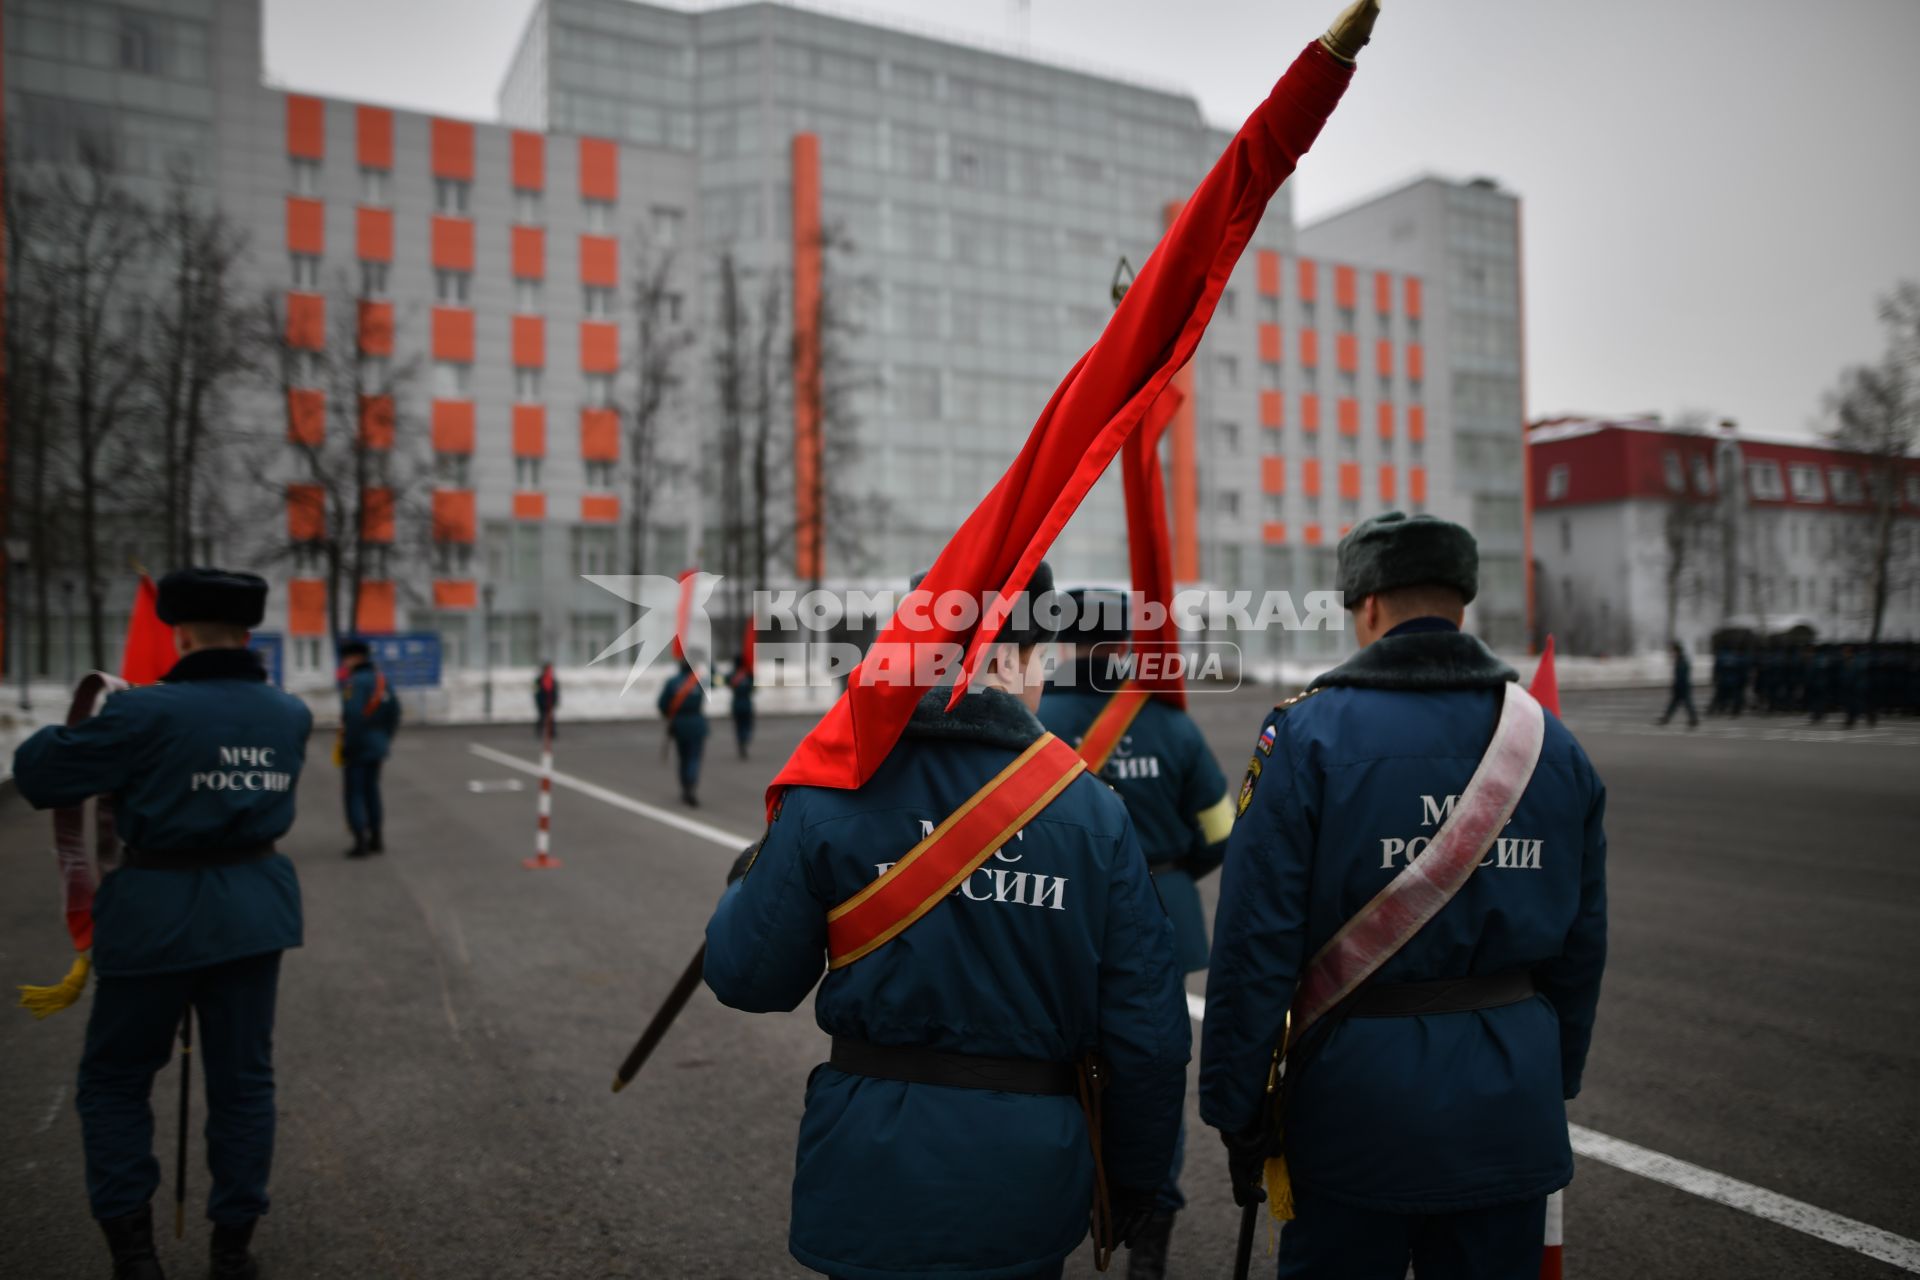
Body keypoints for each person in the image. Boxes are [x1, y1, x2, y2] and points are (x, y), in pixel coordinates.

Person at [704, 562, 1189, 1279]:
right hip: (1026, 1179)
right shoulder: (1094, 813)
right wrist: (1135, 1181)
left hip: (871, 1166)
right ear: (1013, 657)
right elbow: (1146, 1034)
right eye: (1039, 654)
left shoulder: (834, 786)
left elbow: (749, 977)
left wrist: (749, 882)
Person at [1201, 512, 1608, 1280]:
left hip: (1356, 1111)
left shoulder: (1310, 736)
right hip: (1508, 1104)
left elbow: (1255, 941)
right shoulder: (1554, 745)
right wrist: (1548, 1077)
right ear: (1463, 602)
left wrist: (1237, 1107)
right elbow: (1583, 947)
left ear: (1368, 605)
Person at [11, 569, 312, 1280]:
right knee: (244, 1084)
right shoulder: (290, 713)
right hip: (252, 911)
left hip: (155, 915)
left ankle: (135, 1256)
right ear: (248, 630)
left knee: (115, 1081)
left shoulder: (144, 712)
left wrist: (88, 716)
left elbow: (40, 775)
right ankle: (233, 1250)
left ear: (176, 631)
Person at [1038, 586, 1232, 1278]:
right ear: (1125, 643)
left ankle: (1053, 1220)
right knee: (1152, 1076)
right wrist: (1172, 872)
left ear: (1059, 640)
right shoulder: (1170, 724)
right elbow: (1220, 832)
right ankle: (1148, 1241)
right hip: (1160, 909)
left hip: (1058, 914)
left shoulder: (1036, 716)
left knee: (1050, 1073)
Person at [337, 639, 400, 858]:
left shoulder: (356, 683)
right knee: (372, 791)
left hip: (359, 745)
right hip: (377, 745)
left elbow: (353, 716)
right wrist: (385, 738)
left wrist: (348, 746)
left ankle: (359, 840)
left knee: (354, 792)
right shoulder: (382, 681)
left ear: (355, 657)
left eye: (346, 657)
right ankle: (376, 836)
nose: (344, 662)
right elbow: (394, 712)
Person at [657, 657, 708, 807]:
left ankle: (685, 787)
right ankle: (691, 786)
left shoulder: (672, 682)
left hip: (679, 724)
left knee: (683, 758)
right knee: (694, 758)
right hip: (697, 723)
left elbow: (662, 704)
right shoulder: (700, 681)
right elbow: (718, 681)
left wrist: (670, 717)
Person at [1657, 640, 1699, 728]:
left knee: (1686, 703)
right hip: (1681, 686)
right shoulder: (1680, 660)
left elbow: (1681, 676)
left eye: (1673, 651)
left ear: (1677, 651)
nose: (1672, 653)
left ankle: (1693, 719)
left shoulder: (1681, 661)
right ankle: (1666, 719)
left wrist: (1677, 686)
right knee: (1676, 704)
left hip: (1682, 687)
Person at [726, 657, 755, 759]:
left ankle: (740, 742)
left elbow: (727, 684)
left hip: (736, 704)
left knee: (738, 726)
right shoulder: (748, 675)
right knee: (747, 725)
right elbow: (754, 689)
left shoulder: (731, 675)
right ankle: (745, 739)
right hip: (747, 704)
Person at [533, 661, 560, 740]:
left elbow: (555, 692)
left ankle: (552, 733)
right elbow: (536, 692)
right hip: (541, 702)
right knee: (541, 717)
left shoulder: (553, 681)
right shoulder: (538, 680)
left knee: (551, 718)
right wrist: (539, 702)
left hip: (550, 702)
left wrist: (555, 701)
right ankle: (539, 732)